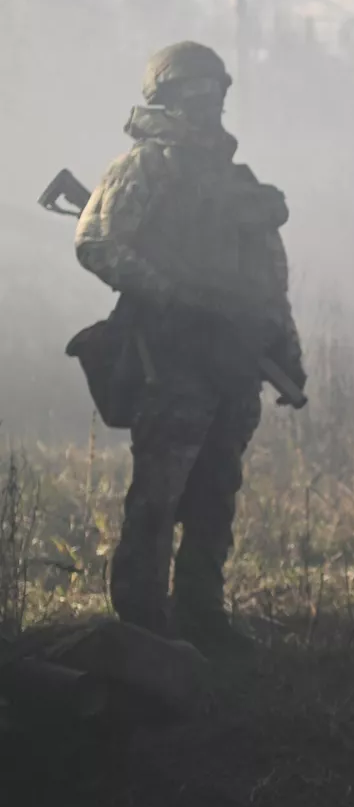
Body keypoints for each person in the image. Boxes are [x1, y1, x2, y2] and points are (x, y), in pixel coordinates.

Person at [74, 41, 304, 656]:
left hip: (232, 362)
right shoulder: (143, 168)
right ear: (167, 97)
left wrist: (286, 347)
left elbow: (270, 276)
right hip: (172, 358)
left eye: (215, 94)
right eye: (195, 93)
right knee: (159, 494)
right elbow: (96, 242)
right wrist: (168, 293)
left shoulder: (237, 184)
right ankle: (143, 624)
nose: (208, 106)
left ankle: (202, 616)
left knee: (215, 492)